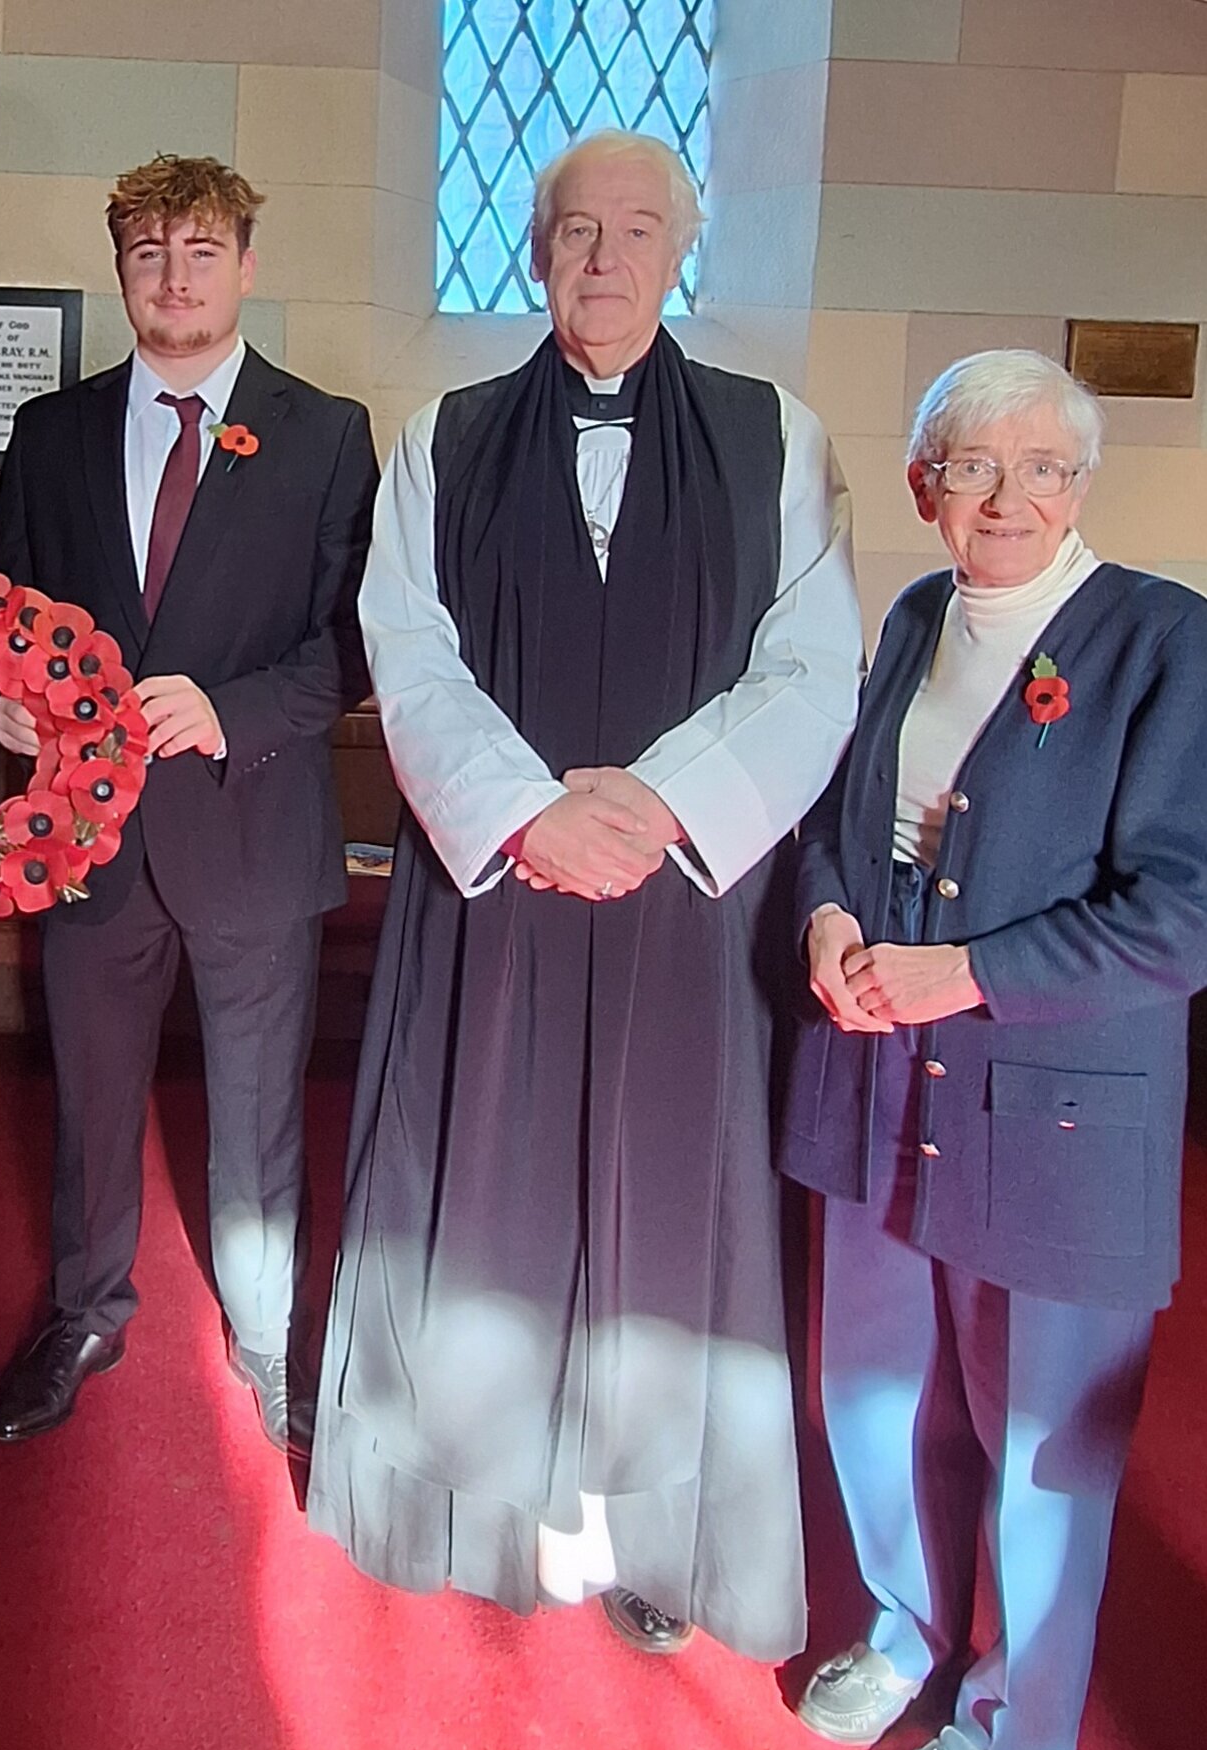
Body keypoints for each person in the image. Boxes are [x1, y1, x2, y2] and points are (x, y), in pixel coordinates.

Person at [305, 128, 863, 1661]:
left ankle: (653, 1528)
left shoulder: (776, 436)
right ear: (534, 248)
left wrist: (660, 802)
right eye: (574, 232)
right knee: (483, 1170)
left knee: (666, 1186)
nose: (603, 259)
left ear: (680, 251)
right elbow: (405, 647)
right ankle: (470, 1492)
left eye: (635, 230)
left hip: (686, 896)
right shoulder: (445, 433)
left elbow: (813, 664)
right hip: (500, 886)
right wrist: (529, 809)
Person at [782, 349, 1207, 1750]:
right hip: (874, 1063)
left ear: (1081, 486)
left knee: (1040, 1425)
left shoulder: (1167, 642)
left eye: (1040, 467)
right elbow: (836, 828)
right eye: (972, 464)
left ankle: (1011, 1713)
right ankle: (902, 1623)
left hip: (1052, 1100)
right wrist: (829, 922)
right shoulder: (910, 617)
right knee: (878, 1384)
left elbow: (1181, 914)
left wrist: (963, 975)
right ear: (925, 487)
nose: (1007, 495)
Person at [0, 154, 379, 1450]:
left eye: (199, 251)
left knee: (259, 1118)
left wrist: (232, 711)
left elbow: (355, 642)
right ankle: (85, 1311)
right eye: (148, 252)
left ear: (245, 265)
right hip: (89, 837)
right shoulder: (52, 432)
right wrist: (10, 697)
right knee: (90, 1103)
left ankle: (268, 1344)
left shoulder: (323, 435)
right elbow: (9, 618)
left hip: (252, 828)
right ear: (120, 270)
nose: (173, 275)